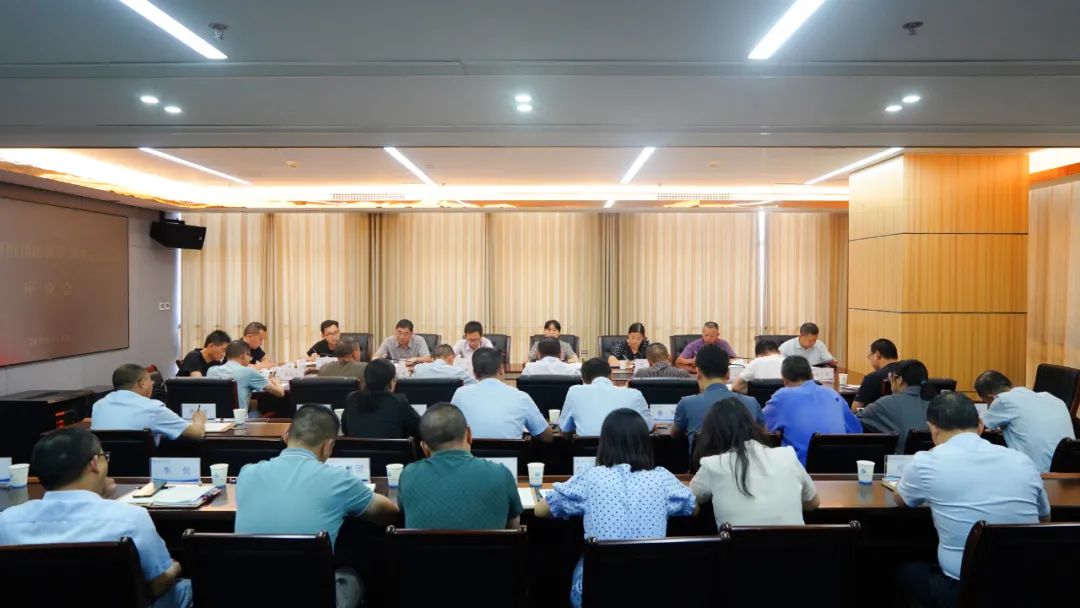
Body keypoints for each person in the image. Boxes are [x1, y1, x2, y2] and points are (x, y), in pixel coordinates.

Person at [0, 428, 192, 608]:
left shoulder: (6, 522)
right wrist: (176, 567)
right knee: (186, 588)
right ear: (94, 463)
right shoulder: (131, 518)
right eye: (103, 456)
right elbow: (157, 583)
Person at [894, 392, 1049, 608]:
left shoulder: (927, 462)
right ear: (980, 426)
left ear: (933, 429)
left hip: (963, 588)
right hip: (1026, 585)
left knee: (907, 573)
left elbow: (901, 499)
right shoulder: (1021, 460)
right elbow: (1045, 517)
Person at [235, 405, 399, 608]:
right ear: (328, 446)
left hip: (248, 594)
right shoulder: (336, 479)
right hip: (310, 597)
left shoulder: (246, 474)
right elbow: (388, 513)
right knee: (357, 571)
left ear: (286, 435)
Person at [535, 409, 696, 608]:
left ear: (605, 443)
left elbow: (540, 510)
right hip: (651, 589)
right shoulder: (662, 478)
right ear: (645, 444)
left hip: (598, 589)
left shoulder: (591, 477)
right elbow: (693, 507)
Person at [690, 398, 819, 528]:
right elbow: (813, 503)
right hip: (795, 541)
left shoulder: (712, 465)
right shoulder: (787, 455)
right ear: (751, 425)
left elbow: (690, 503)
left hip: (739, 541)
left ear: (711, 435)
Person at [397, 403, 523, 529]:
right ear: (469, 434)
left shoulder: (408, 476)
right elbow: (514, 529)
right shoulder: (501, 474)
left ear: (424, 447)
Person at [763, 356, 861, 466]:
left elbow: (758, 426)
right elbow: (856, 431)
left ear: (784, 380)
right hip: (839, 468)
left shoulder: (782, 397)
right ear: (812, 376)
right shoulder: (833, 394)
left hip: (799, 470)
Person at [975, 370, 1076, 473]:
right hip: (1072, 474)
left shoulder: (1002, 400)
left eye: (987, 403)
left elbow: (976, 427)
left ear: (991, 397)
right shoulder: (1054, 399)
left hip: (1040, 475)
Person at [450, 347, 553, 441]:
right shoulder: (521, 397)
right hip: (511, 455)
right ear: (501, 370)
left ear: (475, 374)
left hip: (470, 455)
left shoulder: (460, 394)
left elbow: (449, 430)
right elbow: (547, 436)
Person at [92, 363, 206, 443]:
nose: (152, 384)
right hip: (143, 469)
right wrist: (199, 420)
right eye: (150, 381)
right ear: (142, 383)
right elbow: (196, 434)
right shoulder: (153, 408)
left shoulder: (98, 406)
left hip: (106, 467)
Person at [672, 345, 763, 445]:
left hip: (702, 455)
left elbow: (674, 435)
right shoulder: (752, 402)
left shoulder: (686, 403)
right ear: (728, 374)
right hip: (743, 455)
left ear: (698, 373)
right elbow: (764, 434)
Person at [558, 358, 653, 435]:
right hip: (625, 452)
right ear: (611, 376)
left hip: (588, 452)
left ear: (583, 380)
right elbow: (650, 428)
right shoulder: (634, 394)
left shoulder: (574, 392)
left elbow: (564, 430)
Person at [857, 359, 933, 454]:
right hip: (932, 460)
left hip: (899, 461)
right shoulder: (937, 405)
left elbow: (855, 421)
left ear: (899, 380)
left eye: (890, 377)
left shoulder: (885, 403)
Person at [342, 359, 421, 439]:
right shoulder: (399, 402)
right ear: (392, 381)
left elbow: (345, 429)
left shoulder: (352, 398)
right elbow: (420, 428)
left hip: (355, 447)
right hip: (392, 447)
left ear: (366, 379)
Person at [208, 340, 285, 414]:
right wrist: (276, 381)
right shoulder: (249, 372)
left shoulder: (211, 371)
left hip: (215, 420)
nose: (250, 359)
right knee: (260, 411)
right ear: (243, 355)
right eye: (250, 356)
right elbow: (280, 393)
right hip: (240, 420)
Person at [851, 339, 900, 411]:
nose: (869, 360)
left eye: (869, 356)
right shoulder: (908, 372)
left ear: (877, 354)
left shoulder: (873, 377)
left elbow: (855, 409)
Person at [412, 344, 477, 385]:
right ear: (451, 358)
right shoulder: (459, 373)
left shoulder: (418, 368)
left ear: (433, 358)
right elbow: (475, 384)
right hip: (449, 403)